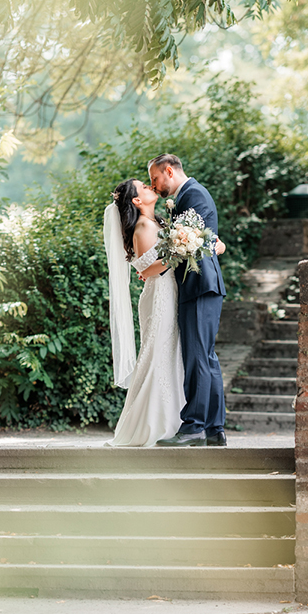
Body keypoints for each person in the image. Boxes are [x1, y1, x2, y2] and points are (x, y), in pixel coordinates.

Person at [103, 178, 226, 447]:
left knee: (175, 355)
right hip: (159, 296)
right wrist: (186, 248)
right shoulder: (143, 225)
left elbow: (174, 251)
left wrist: (203, 244)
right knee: (157, 352)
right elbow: (147, 269)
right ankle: (152, 422)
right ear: (136, 200)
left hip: (173, 293)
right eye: (144, 187)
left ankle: (180, 420)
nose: (150, 187)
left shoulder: (159, 221)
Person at [147, 153, 228, 447]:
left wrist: (154, 267)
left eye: (155, 179)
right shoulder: (189, 197)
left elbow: (188, 245)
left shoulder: (193, 195)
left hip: (199, 285)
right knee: (206, 357)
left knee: (196, 356)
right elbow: (209, 242)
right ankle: (214, 428)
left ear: (169, 171)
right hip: (202, 286)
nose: (154, 186)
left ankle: (193, 426)